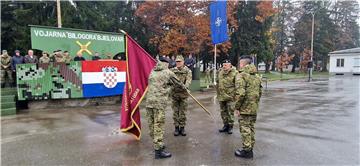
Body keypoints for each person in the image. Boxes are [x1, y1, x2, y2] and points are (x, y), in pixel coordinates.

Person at [145, 56, 183, 159]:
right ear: (166, 64)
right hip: (159, 103)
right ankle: (158, 151)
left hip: (149, 102)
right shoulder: (168, 72)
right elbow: (178, 84)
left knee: (152, 125)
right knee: (159, 126)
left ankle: (157, 143)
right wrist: (174, 87)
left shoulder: (152, 71)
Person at [234, 56, 262, 159]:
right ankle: (250, 148)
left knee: (245, 129)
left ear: (242, 64)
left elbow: (240, 94)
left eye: (240, 63)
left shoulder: (241, 76)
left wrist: (237, 107)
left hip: (244, 108)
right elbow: (259, 92)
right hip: (254, 107)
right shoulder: (257, 76)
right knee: (251, 128)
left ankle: (247, 152)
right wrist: (255, 104)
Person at [170, 55, 192, 136]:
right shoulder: (172, 71)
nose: (178, 63)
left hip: (183, 95)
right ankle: (176, 128)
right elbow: (169, 80)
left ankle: (182, 128)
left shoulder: (187, 71)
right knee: (175, 112)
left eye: (179, 61)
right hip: (174, 94)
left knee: (183, 112)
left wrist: (185, 86)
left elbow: (189, 80)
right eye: (177, 62)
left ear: (183, 62)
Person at [216, 59, 237, 134]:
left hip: (230, 97)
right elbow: (218, 82)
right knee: (223, 112)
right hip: (221, 96)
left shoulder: (235, 73)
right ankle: (225, 126)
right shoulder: (220, 72)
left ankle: (230, 127)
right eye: (223, 65)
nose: (223, 66)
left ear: (230, 65)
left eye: (225, 65)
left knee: (230, 112)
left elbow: (238, 85)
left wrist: (236, 96)